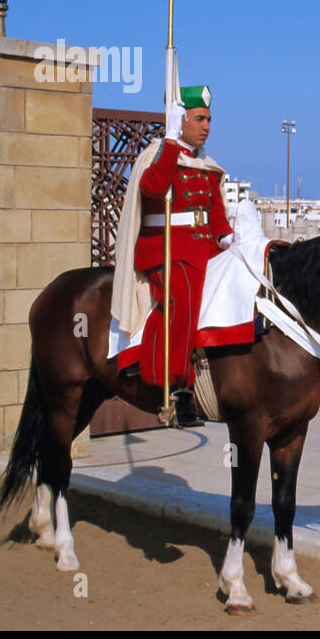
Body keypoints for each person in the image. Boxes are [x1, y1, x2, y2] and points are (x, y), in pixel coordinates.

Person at [113, 85, 232, 428]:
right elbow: (151, 188)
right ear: (181, 120)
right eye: (199, 118)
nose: (207, 125)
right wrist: (168, 146)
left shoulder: (206, 165)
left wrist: (227, 238)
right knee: (182, 298)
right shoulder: (159, 155)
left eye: (209, 119)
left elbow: (215, 210)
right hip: (166, 250)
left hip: (203, 249)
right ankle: (177, 388)